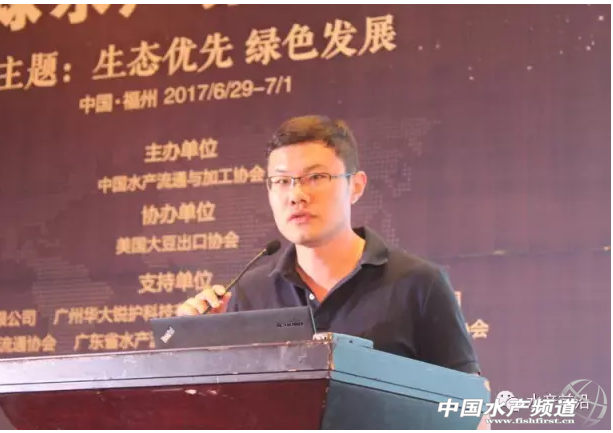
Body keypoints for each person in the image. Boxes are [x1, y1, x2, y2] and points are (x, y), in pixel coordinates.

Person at [177, 114, 484, 372]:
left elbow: (469, 404)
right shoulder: (248, 294)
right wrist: (198, 347)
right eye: (282, 181)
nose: (297, 195)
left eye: (316, 177)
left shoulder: (419, 283)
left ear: (356, 186)